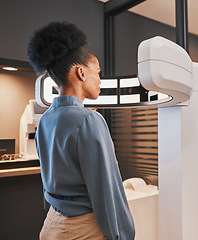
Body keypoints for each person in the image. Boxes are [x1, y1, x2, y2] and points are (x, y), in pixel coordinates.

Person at [27, 22, 135, 239]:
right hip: (83, 228)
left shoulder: (46, 119)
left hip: (52, 224)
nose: (100, 81)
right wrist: (123, 234)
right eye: (98, 72)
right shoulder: (90, 120)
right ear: (81, 72)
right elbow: (106, 190)